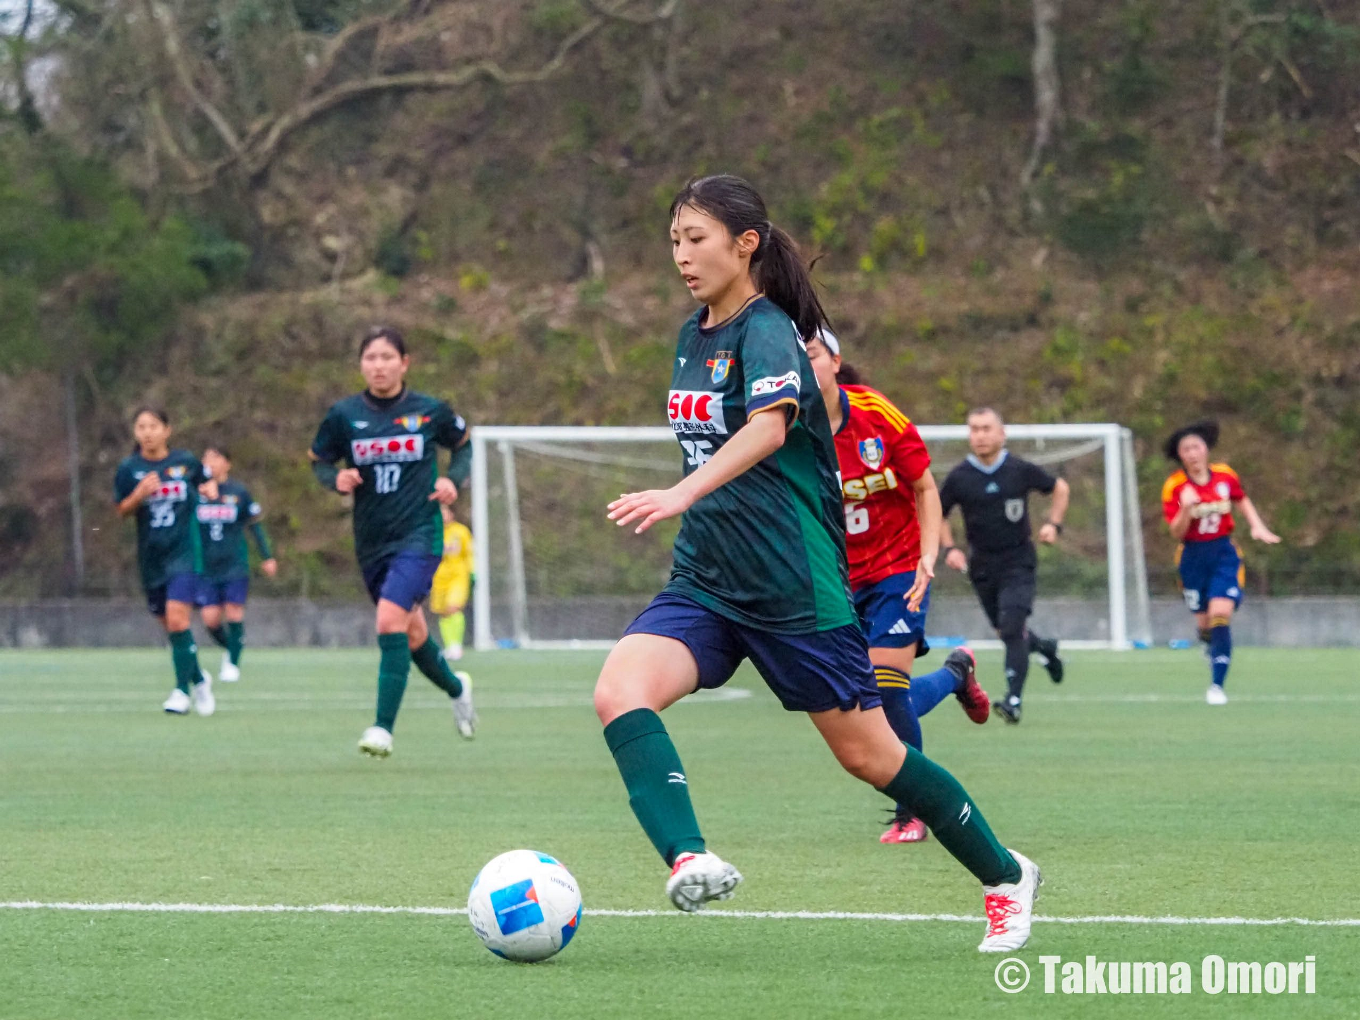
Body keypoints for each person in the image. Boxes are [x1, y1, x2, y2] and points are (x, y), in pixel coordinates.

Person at [593, 174, 1040, 953]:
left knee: (874, 758)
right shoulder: (691, 333)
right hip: (707, 582)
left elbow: (767, 429)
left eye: (695, 239)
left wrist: (678, 494)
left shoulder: (767, 331)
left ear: (746, 243)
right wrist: (691, 510)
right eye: (673, 241)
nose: (682, 256)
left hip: (795, 587)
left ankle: (1005, 876)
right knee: (619, 691)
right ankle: (690, 857)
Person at [804, 329, 991, 846]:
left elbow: (925, 487)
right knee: (866, 700)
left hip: (899, 569)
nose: (804, 366)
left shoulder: (877, 417)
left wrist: (928, 555)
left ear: (836, 360)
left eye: (813, 355)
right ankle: (956, 673)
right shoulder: (787, 427)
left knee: (886, 687)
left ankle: (912, 811)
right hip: (837, 580)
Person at [309, 326, 477, 756]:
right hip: (371, 540)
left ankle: (382, 729)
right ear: (361, 364)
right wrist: (336, 478)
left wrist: (452, 480)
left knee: (388, 621)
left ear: (405, 363)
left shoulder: (429, 411)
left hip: (419, 535)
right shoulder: (344, 415)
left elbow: (463, 446)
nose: (378, 365)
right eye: (370, 358)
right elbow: (320, 460)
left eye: (387, 357)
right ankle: (458, 688)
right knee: (413, 633)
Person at [938, 408, 1068, 724]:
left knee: (1011, 628)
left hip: (1018, 560)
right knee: (1008, 631)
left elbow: (1059, 487)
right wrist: (949, 548)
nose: (980, 435)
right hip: (982, 565)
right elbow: (938, 512)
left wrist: (1053, 524)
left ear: (1001, 433)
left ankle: (1013, 700)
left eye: (986, 428)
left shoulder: (1018, 469)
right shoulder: (960, 477)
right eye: (974, 429)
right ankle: (1046, 649)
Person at [1161, 420, 1280, 705]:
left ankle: (1217, 686)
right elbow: (1176, 531)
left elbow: (1241, 499)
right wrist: (1187, 509)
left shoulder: (1225, 476)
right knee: (1204, 624)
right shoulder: (1175, 486)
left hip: (1224, 553)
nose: (1192, 453)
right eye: (1185, 449)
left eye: (1196, 447)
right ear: (1180, 456)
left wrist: (1257, 525)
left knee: (1219, 614)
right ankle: (1208, 644)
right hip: (1191, 557)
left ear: (1206, 449)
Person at [113, 407, 218, 716]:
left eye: (153, 426)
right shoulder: (129, 468)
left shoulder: (184, 462)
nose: (146, 432)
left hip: (183, 553)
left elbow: (206, 482)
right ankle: (199, 677)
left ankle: (180, 692)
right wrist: (139, 494)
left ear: (167, 430)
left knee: (177, 620)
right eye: (141, 427)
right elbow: (121, 510)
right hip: (151, 558)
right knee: (172, 629)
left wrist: (209, 489)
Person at [194, 446, 277, 682]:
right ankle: (232, 647)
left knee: (234, 612)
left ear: (227, 463)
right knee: (210, 619)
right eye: (206, 457)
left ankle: (232, 662)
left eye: (215, 457)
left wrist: (267, 556)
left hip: (234, 565)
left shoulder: (239, 492)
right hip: (206, 567)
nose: (209, 462)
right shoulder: (195, 491)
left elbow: (255, 526)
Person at [430, 505, 474, 662]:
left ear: (452, 513)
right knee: (443, 612)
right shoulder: (433, 532)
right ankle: (449, 646)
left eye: (445, 512)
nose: (443, 516)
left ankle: (457, 645)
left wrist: (472, 572)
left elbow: (469, 553)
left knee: (453, 607)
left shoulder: (461, 531)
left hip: (458, 576)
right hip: (439, 577)